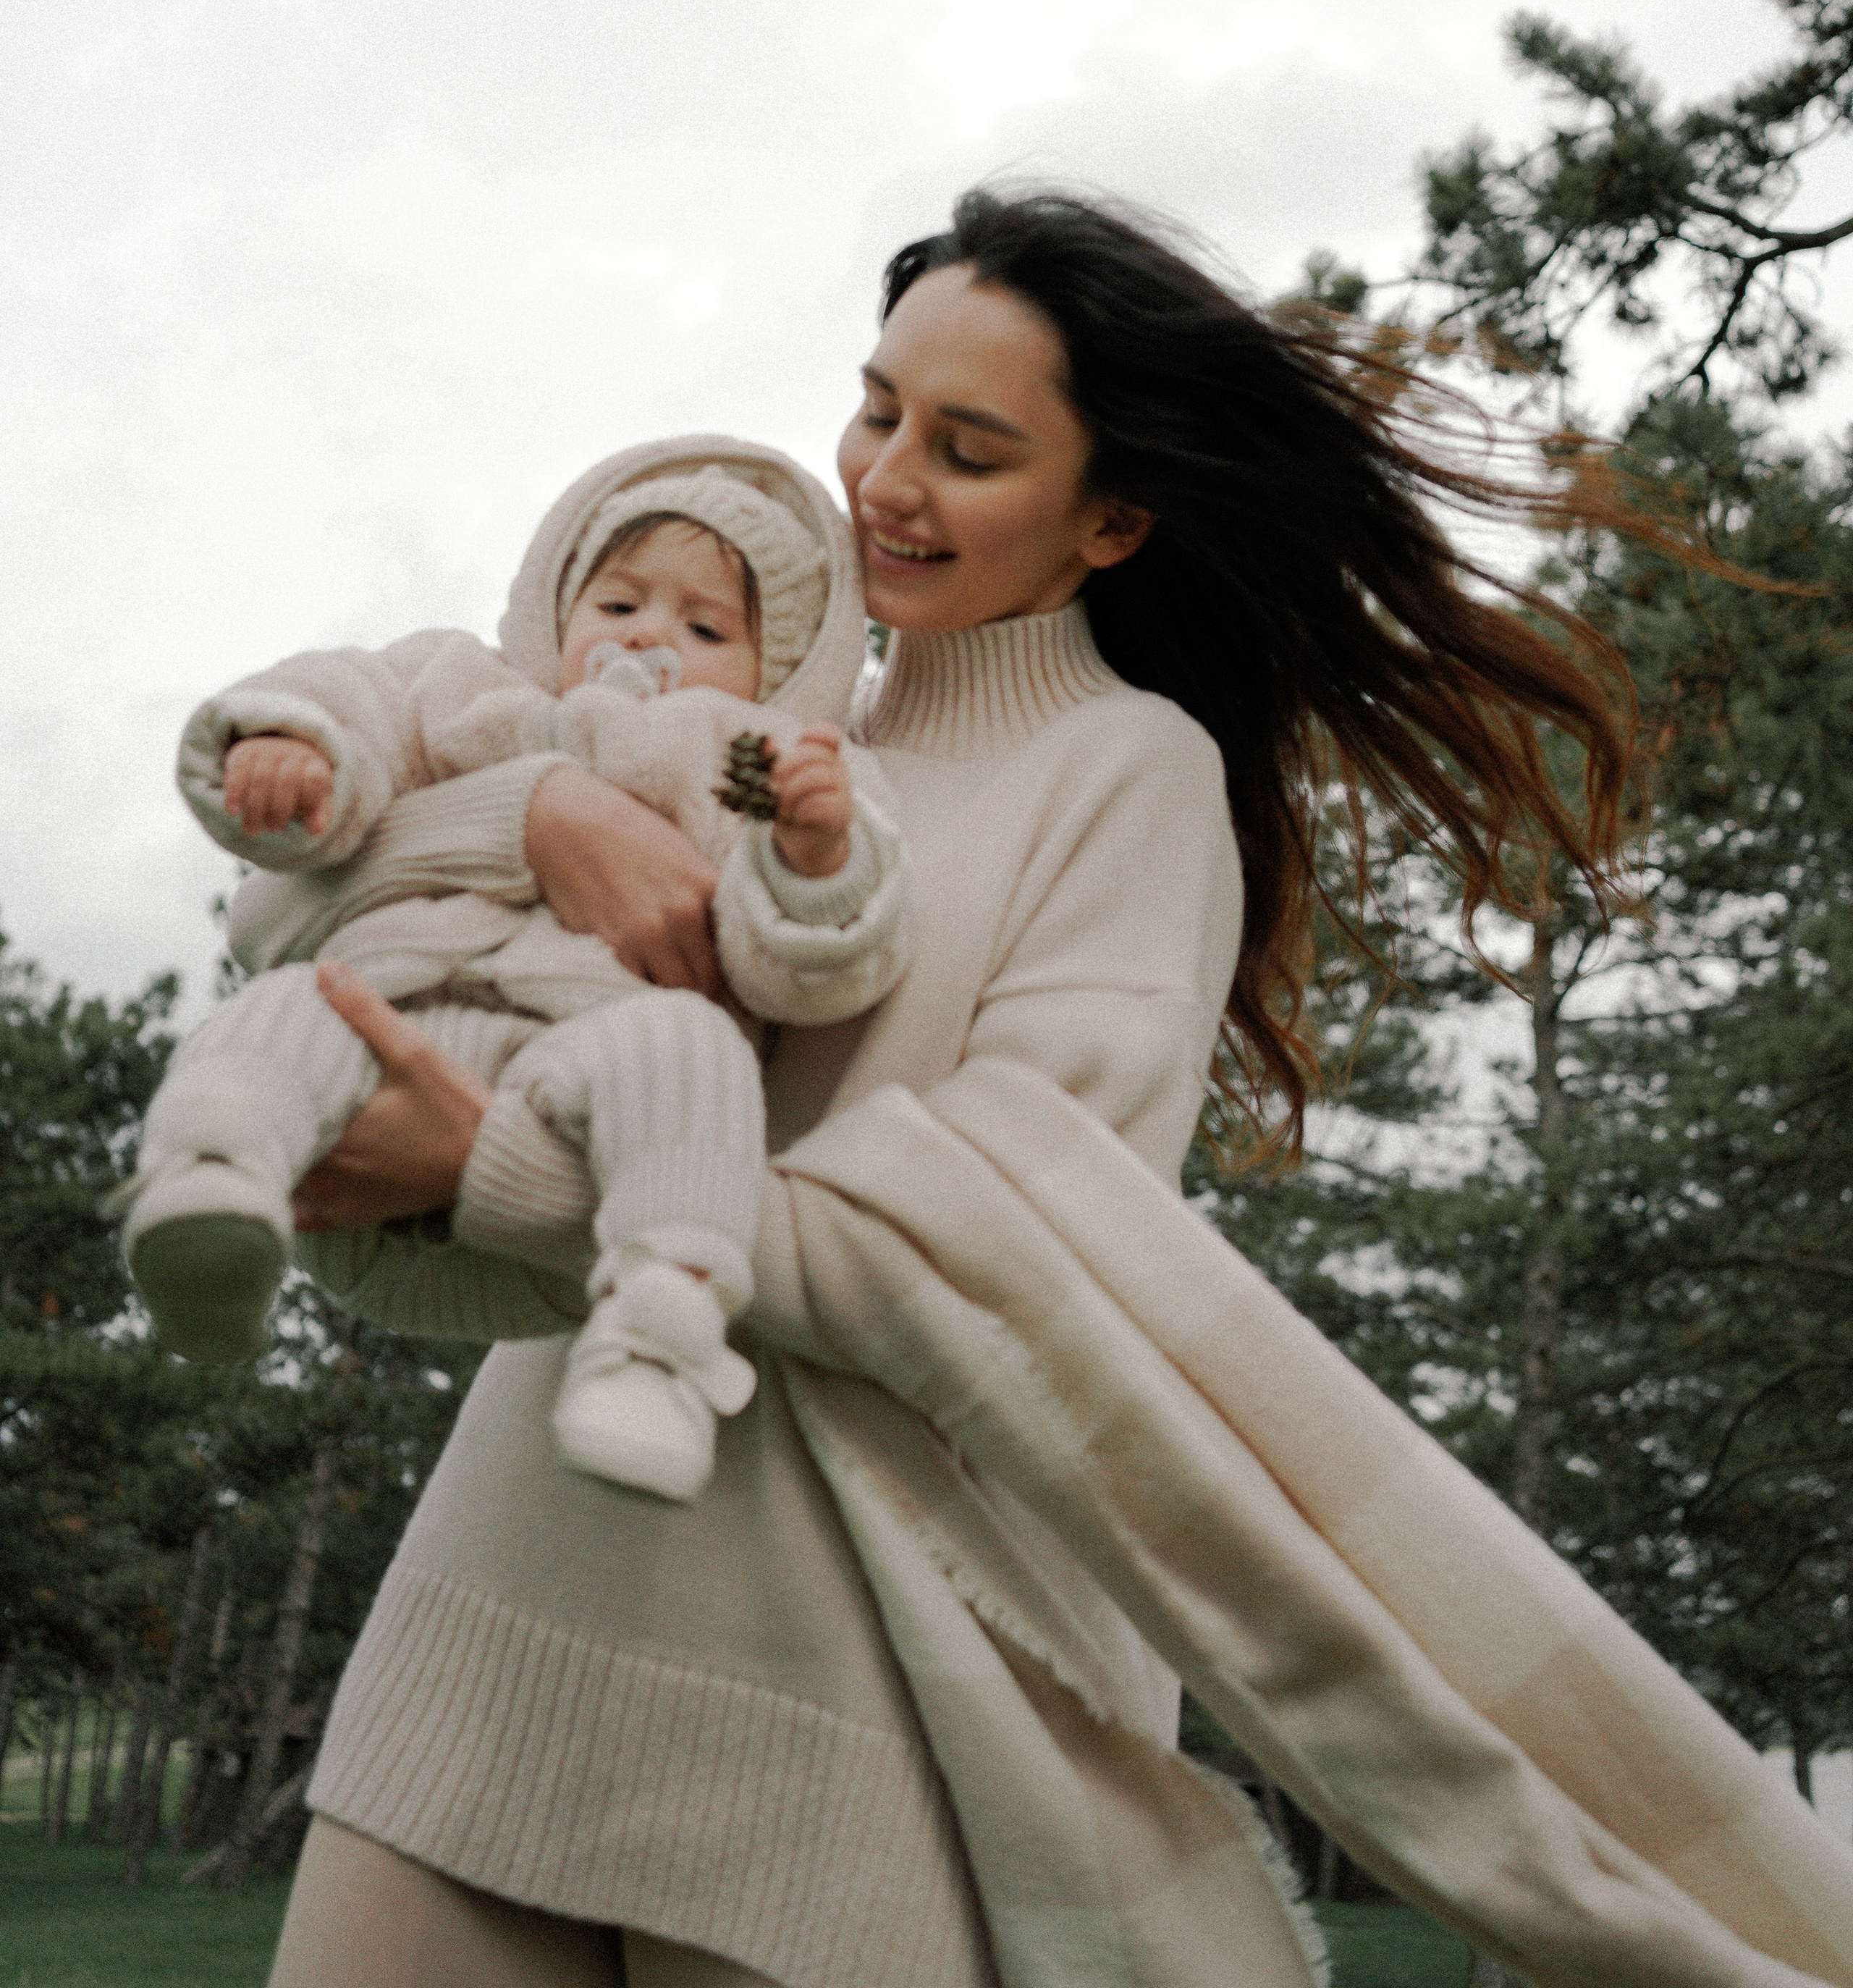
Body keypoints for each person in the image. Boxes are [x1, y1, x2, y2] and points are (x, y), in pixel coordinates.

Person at [251, 191, 1849, 1988]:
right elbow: (349, 872)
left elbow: (997, 1247)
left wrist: (512, 1174)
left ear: (1112, 518)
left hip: (841, 1674)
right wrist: (537, 811)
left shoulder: (1126, 776)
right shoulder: (743, 698)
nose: (881, 480)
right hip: (511, 1584)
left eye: (968, 447)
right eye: (874, 410)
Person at [122, 452, 910, 1501]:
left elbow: (804, 972)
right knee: (274, 1016)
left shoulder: (754, 753)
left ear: (777, 669)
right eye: (619, 600)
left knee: (694, 1053)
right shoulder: (461, 687)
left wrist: (816, 859)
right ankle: (212, 1195)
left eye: (705, 627)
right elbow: (345, 703)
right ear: (558, 603)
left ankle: (657, 1345)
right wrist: (289, 749)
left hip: (577, 1105)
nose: (645, 634)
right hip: (375, 1032)